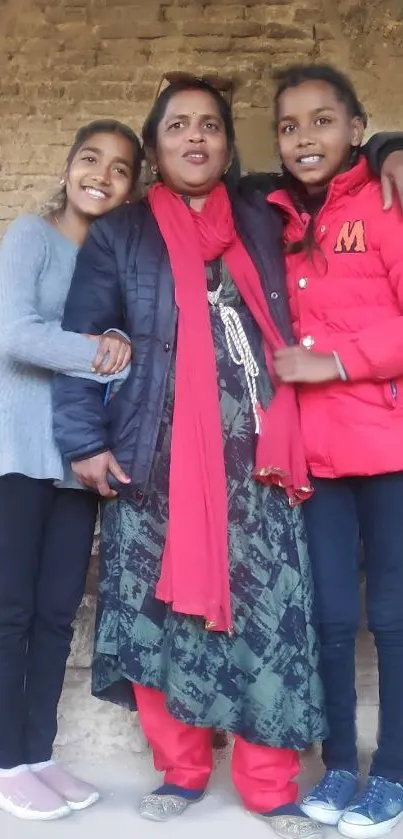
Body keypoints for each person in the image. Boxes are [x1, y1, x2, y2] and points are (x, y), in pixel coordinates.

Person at [52, 77, 328, 839]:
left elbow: (330, 168)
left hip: (261, 456)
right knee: (156, 614)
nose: (195, 137)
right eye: (177, 126)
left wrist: (391, 150)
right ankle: (181, 767)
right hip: (156, 451)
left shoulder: (262, 215)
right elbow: (83, 344)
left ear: (229, 144)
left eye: (209, 125)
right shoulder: (123, 234)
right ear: (155, 148)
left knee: (268, 612)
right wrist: (85, 441)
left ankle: (270, 782)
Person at [270, 63, 403, 839]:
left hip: (389, 446)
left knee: (390, 616)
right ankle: (338, 766)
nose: (304, 138)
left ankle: (390, 768)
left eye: (322, 121)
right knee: (325, 616)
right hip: (314, 455)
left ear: (355, 129)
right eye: (289, 126)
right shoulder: (278, 215)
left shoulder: (387, 203)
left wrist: (337, 361)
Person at [0, 119, 142, 821]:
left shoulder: (112, 267)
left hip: (73, 460)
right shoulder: (30, 235)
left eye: (120, 170)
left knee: (58, 613)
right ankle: (6, 760)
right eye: (91, 159)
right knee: (11, 611)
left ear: (130, 191)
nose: (102, 175)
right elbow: (15, 332)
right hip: (17, 452)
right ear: (66, 168)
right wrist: (100, 348)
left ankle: (39, 751)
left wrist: (117, 338)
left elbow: (128, 350)